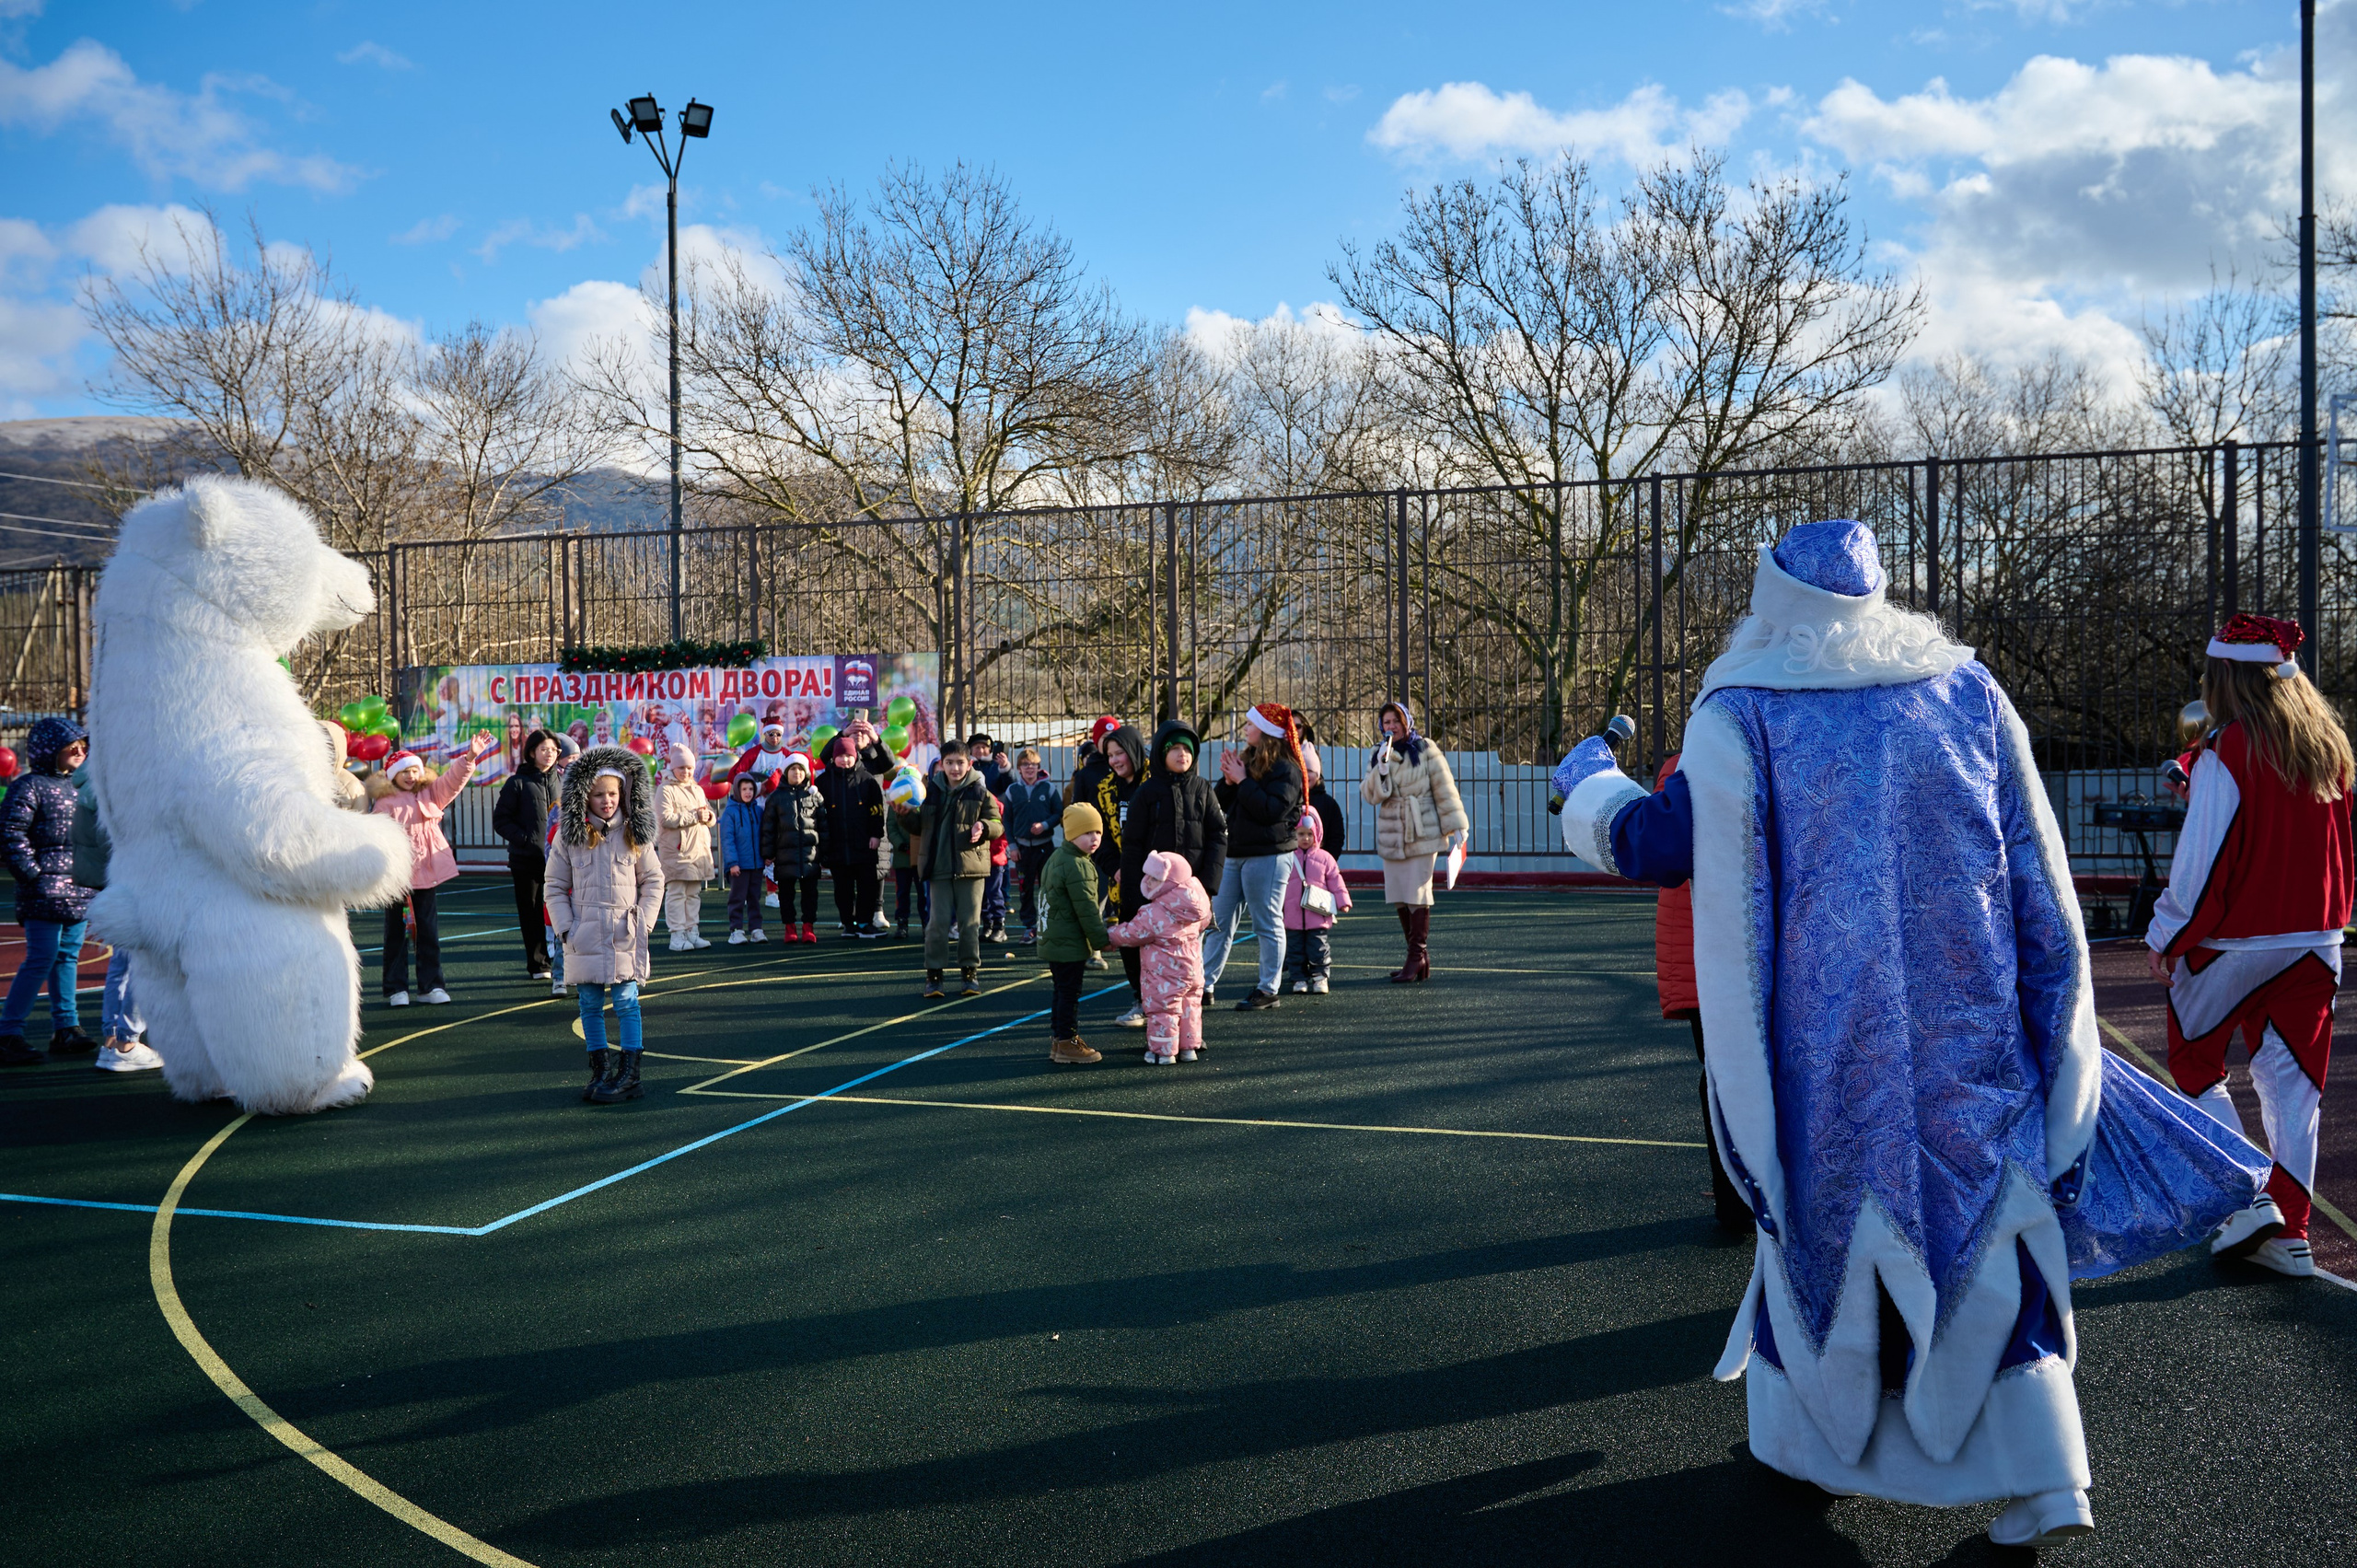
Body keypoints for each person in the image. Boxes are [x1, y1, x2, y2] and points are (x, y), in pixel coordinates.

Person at [1553, 518, 2270, 1548]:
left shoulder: (1742, 710)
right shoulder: (1967, 692)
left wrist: (1590, 786)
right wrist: (2059, 1036)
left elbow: (1662, 843)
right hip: (1971, 1043)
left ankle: (1812, 1440)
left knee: (1826, 1239)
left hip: (1820, 1057)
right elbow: (2043, 887)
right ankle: (2044, 1476)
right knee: (1984, 1238)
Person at [2146, 612, 2354, 1280]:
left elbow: (2201, 861)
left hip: (2234, 939)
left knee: (2195, 1058)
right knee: (2294, 1090)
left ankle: (2245, 1195)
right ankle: (2289, 1230)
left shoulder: (2227, 749)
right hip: (2317, 935)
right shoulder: (2328, 744)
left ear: (2224, 676)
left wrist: (2164, 934)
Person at [1650, 751, 1750, 1232]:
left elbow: (1655, 847)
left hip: (1709, 949)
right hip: (1719, 948)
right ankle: (1740, 1203)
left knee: (1722, 1078)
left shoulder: (1688, 763)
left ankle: (1737, 1203)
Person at [546, 749, 664, 1105]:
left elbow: (654, 879)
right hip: (585, 934)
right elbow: (553, 885)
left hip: (624, 933)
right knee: (589, 1004)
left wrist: (643, 922)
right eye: (598, 794)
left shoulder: (633, 834)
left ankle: (630, 1074)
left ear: (624, 794)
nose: (607, 800)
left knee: (628, 1001)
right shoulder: (569, 837)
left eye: (613, 793)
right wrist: (567, 928)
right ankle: (601, 1071)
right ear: (584, 796)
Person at [368, 733, 496, 1006]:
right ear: (393, 775)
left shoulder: (431, 793)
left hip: (426, 874)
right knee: (397, 932)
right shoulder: (384, 803)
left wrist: (470, 756)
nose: (411, 776)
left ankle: (431, 986)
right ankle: (396, 988)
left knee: (428, 930)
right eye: (405, 772)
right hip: (396, 879)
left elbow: (453, 780)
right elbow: (377, 839)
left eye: (415, 770)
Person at [0, 716, 97, 1064]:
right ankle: (8, 1032)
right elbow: (11, 833)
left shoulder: (83, 787)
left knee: (68, 956)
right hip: (44, 891)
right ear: (48, 750)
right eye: (72, 745)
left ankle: (66, 1028)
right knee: (41, 957)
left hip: (77, 889)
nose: (80, 750)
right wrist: (34, 875)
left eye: (84, 745)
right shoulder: (28, 787)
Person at [1117, 719, 1228, 1021]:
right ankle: (1146, 1003)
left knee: (1189, 954)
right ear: (1161, 754)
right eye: (1175, 748)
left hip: (1191, 894)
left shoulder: (1203, 789)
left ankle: (1188, 1020)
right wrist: (1133, 892)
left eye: (1188, 749)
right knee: (1152, 952)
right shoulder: (1147, 792)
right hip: (1154, 892)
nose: (1183, 754)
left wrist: (1207, 884)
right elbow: (1132, 845)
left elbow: (1218, 834)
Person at [1203, 703, 1306, 1011]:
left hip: (1268, 855)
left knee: (1266, 922)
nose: (1246, 729)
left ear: (1267, 731)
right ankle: (1204, 984)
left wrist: (1243, 780)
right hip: (1235, 853)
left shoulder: (1287, 769)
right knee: (1218, 921)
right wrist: (1229, 779)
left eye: (1251, 724)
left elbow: (1271, 811)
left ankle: (1267, 988)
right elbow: (1221, 802)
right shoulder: (1247, 760)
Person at [1359, 698, 1467, 984]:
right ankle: (1419, 957)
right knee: (1398, 894)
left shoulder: (1426, 749)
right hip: (1393, 833)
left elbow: (1444, 788)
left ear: (1406, 722)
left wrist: (1457, 826)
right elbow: (1371, 796)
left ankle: (1414, 956)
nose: (1391, 727)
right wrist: (1381, 769)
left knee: (1417, 892)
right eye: (1386, 722)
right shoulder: (1377, 753)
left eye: (1396, 721)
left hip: (1424, 830)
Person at [67, 749, 161, 1072]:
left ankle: (113, 1040)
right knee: (142, 960)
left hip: (111, 880)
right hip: (132, 880)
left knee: (121, 962)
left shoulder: (92, 782)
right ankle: (127, 1041)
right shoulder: (118, 787)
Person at [1106, 849, 1213, 1064]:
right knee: (1189, 1007)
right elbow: (1204, 922)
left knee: (1163, 1010)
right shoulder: (1198, 906)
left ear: (1168, 881)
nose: (1149, 881)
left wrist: (1108, 936)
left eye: (1155, 878)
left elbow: (1131, 933)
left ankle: (1163, 1053)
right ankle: (1188, 1048)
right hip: (1192, 969)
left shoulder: (1154, 913)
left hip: (1164, 973)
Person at [917, 738, 1003, 998]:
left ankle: (969, 973)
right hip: (939, 867)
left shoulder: (980, 792)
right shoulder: (929, 791)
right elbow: (916, 825)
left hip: (971, 868)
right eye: (949, 762)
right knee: (937, 924)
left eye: (960, 762)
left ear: (969, 764)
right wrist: (902, 812)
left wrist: (984, 827)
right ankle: (934, 976)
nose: (955, 768)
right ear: (941, 765)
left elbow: (998, 824)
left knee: (970, 924)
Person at [1038, 802, 1109, 1065]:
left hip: (1055, 939)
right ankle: (1068, 1042)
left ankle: (1059, 1041)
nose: (1094, 838)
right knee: (1069, 992)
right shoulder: (1078, 865)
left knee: (1061, 990)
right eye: (1086, 832)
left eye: (1098, 833)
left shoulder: (1059, 857)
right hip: (1068, 941)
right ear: (1070, 834)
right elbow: (1088, 910)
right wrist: (1102, 940)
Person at [491, 727, 562, 979]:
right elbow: (501, 820)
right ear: (532, 752)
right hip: (526, 861)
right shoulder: (517, 783)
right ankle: (539, 964)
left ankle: (563, 962)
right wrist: (527, 840)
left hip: (559, 860)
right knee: (530, 912)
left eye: (554, 749)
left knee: (560, 908)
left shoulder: (563, 782)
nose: (549, 754)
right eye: (544, 749)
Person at [1089, 724, 1149, 1000]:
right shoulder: (1105, 790)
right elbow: (1101, 839)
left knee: (1160, 945)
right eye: (1110, 755)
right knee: (1129, 943)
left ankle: (1167, 1003)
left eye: (1119, 753)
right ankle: (1140, 998)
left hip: (1157, 881)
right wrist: (1114, 868)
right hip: (1124, 884)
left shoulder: (1155, 782)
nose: (1114, 760)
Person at [817, 734, 886, 939]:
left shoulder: (868, 781)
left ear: (856, 756)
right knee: (843, 890)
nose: (845, 759)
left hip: (864, 845)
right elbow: (818, 815)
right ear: (833, 758)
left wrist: (876, 835)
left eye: (849, 755)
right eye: (841, 756)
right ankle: (849, 924)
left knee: (867, 887)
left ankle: (865, 924)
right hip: (837, 847)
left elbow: (877, 811)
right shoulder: (823, 782)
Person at [1281, 810, 1351, 993]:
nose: (1305, 838)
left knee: (1318, 947)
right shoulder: (1287, 857)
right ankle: (1299, 978)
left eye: (1310, 834)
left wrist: (1343, 901)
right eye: (1301, 834)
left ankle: (1320, 977)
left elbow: (1336, 881)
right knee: (1294, 950)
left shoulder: (1325, 858)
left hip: (1317, 914)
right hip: (1293, 915)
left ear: (1317, 834)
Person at [656, 743, 716, 952]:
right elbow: (665, 819)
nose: (686, 772)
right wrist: (695, 816)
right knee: (676, 893)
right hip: (677, 851)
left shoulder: (698, 789)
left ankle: (692, 931)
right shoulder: (665, 790)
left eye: (689, 768)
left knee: (693, 894)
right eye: (682, 768)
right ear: (673, 768)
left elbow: (708, 814)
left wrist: (709, 817)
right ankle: (677, 935)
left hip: (698, 852)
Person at [761, 751, 822, 944]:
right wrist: (768, 853)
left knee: (810, 894)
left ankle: (808, 928)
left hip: (810, 855)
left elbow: (824, 825)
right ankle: (790, 928)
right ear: (786, 772)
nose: (797, 773)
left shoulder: (814, 796)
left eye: (800, 769)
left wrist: (825, 851)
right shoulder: (776, 798)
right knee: (786, 895)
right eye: (793, 769)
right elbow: (768, 828)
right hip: (784, 856)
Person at [1004, 747, 1062, 943]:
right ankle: (1030, 927)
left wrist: (1045, 825)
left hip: (1045, 847)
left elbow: (1059, 813)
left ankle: (1049, 926)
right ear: (1019, 768)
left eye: (1033, 764)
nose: (1030, 768)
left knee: (1049, 887)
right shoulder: (1013, 791)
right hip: (1022, 850)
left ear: (1039, 767)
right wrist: (1012, 846)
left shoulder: (1049, 788)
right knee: (1025, 889)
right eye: (1025, 764)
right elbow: (1007, 821)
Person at [718, 772, 767, 944]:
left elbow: (763, 836)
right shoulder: (730, 812)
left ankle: (756, 929)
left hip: (756, 864)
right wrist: (732, 863)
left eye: (751, 789)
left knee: (755, 897)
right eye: (744, 789)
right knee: (737, 898)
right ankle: (736, 930)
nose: (748, 792)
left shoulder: (758, 811)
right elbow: (727, 839)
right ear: (737, 790)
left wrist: (765, 857)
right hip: (739, 865)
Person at [888, 784, 929, 939]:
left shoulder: (922, 802)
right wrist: (900, 844)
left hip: (920, 858)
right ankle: (902, 923)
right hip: (902, 858)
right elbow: (891, 828)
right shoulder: (896, 803)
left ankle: (926, 923)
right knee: (902, 893)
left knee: (923, 893)